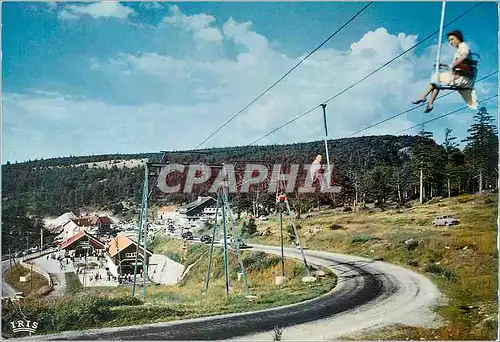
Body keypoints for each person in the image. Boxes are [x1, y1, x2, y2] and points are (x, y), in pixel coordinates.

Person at [412, 30, 478, 113]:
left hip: (463, 79)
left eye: (452, 39)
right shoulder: (460, 48)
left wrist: (452, 66)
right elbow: (457, 63)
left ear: (458, 38)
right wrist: (443, 65)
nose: (451, 42)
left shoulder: (463, 47)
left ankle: (424, 97)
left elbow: (464, 56)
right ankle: (430, 103)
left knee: (436, 77)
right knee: (437, 81)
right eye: (449, 40)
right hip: (461, 76)